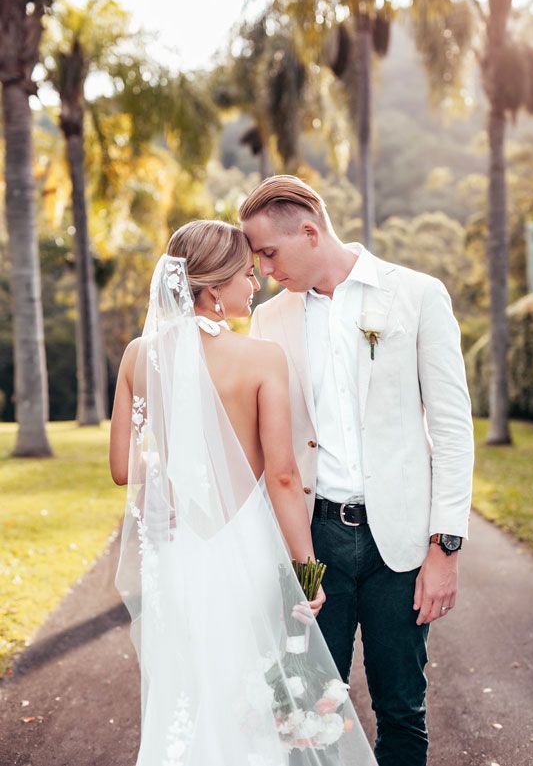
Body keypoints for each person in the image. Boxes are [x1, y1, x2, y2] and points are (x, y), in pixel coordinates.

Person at [109, 220, 377, 766]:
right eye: (245, 275)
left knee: (189, 687)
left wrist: (175, 485)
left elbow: (121, 468)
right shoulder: (260, 359)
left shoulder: (140, 355)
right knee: (251, 690)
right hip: (249, 550)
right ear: (211, 290)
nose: (256, 285)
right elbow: (281, 476)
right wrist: (307, 572)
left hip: (182, 553)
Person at [240, 175, 475, 766]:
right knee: (310, 716)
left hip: (399, 546)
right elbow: (263, 446)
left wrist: (445, 546)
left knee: (402, 711)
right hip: (311, 543)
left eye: (269, 252)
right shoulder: (269, 322)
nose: (264, 269)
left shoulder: (417, 295)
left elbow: (451, 428)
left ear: (311, 231)